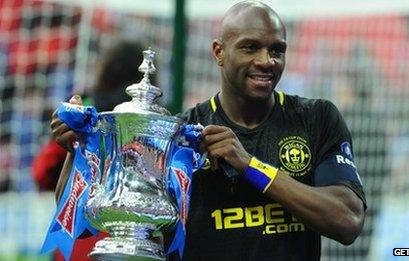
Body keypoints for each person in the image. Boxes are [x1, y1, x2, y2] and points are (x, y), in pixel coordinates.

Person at [51, 1, 366, 260]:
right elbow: (83, 226)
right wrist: (77, 150)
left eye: (277, 50)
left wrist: (250, 166)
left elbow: (347, 220)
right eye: (250, 48)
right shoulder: (178, 137)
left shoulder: (316, 118)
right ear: (219, 52)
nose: (266, 61)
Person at [35, 39, 146, 261]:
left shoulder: (82, 114)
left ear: (105, 73)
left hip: (80, 241)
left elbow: (41, 173)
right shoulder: (152, 122)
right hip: (136, 245)